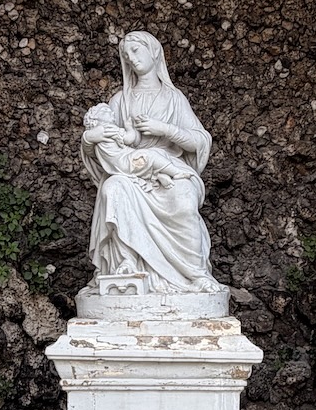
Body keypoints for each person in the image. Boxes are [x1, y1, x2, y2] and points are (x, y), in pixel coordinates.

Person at [80, 30, 219, 293]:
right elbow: (104, 147)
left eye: (136, 50)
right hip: (130, 172)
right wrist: (89, 138)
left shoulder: (174, 99)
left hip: (170, 169)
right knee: (113, 188)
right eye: (126, 54)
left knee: (185, 201)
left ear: (154, 52)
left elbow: (199, 141)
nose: (131, 58)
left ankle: (195, 275)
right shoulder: (120, 100)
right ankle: (127, 265)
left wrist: (164, 129)